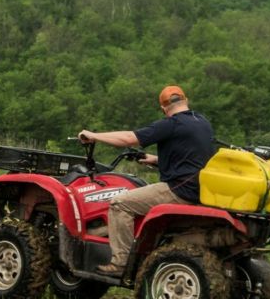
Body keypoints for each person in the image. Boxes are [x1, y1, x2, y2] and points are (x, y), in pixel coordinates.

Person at [77, 85, 215, 277]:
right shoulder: (202, 122)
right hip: (197, 187)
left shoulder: (171, 123)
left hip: (179, 190)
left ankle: (120, 264)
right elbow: (191, 157)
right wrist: (156, 160)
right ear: (186, 101)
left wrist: (93, 136)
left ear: (163, 108)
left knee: (120, 204)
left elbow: (128, 138)